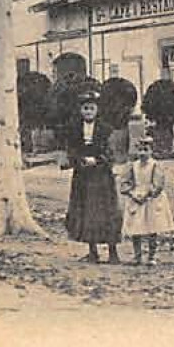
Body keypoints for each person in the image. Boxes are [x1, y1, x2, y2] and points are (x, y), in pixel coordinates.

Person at [63, 84, 122, 263]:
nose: (88, 111)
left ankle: (113, 252)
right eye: (85, 108)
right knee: (85, 211)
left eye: (91, 108)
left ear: (97, 110)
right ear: (81, 110)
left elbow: (112, 152)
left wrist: (98, 160)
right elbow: (71, 150)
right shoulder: (74, 129)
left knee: (106, 211)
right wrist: (78, 160)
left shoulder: (105, 129)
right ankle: (92, 251)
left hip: (102, 176)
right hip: (83, 175)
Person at [120, 135, 174, 265]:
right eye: (140, 150)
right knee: (136, 228)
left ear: (151, 151)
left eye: (145, 150)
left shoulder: (155, 165)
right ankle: (137, 256)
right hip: (136, 197)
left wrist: (148, 194)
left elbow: (158, 184)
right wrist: (132, 193)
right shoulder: (132, 166)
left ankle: (151, 256)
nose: (142, 153)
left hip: (150, 199)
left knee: (152, 228)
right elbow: (125, 182)